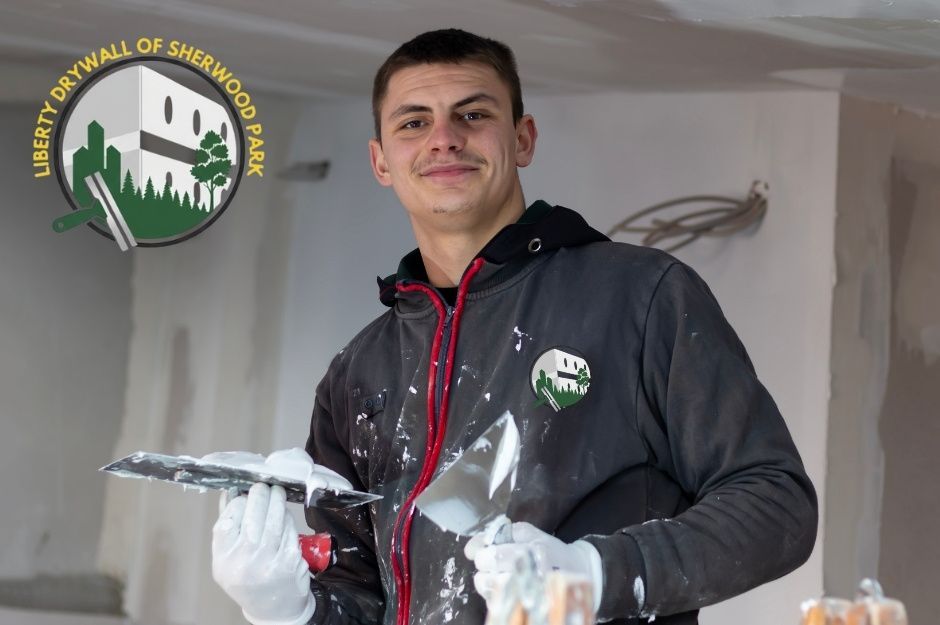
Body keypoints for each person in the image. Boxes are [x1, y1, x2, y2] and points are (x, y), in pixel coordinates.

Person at [211, 28, 818, 625]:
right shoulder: (359, 372)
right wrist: (291, 610)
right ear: (381, 161)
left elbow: (777, 504)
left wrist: (598, 575)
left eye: (473, 115)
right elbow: (358, 596)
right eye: (414, 123)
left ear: (523, 139)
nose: (444, 139)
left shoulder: (639, 297)